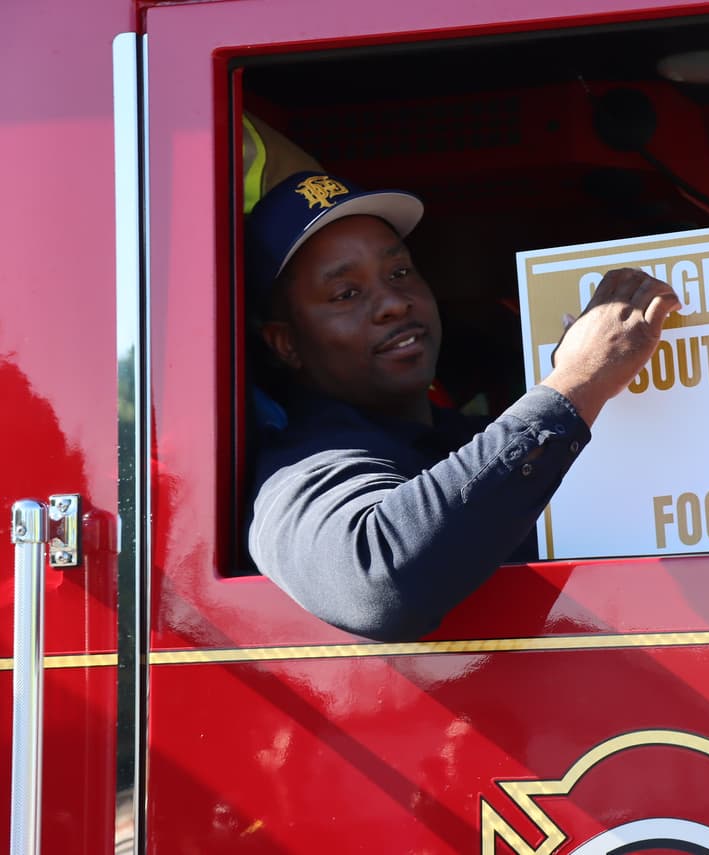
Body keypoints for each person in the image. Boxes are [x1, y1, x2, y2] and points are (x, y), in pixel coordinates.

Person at [244, 171, 679, 642]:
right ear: (286, 344)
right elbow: (377, 579)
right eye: (346, 293)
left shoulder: (464, 435)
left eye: (400, 272)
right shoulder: (297, 466)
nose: (393, 302)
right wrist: (575, 383)